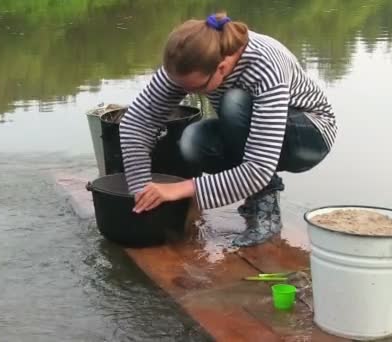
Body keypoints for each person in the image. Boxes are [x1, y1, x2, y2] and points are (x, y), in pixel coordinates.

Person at [119, 12, 337, 247]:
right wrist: (141, 192)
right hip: (251, 131)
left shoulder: (265, 65)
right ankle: (253, 198)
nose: (195, 93)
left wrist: (180, 189)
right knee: (192, 141)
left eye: (199, 88)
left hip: (310, 135)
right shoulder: (187, 59)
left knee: (234, 103)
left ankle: (266, 211)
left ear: (222, 67)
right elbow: (136, 123)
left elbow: (258, 168)